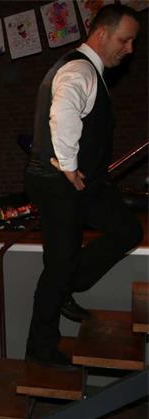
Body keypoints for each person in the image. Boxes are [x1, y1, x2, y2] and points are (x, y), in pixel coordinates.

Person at [24, 4, 143, 368]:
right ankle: (41, 350)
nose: (129, 49)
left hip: (81, 183)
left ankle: (68, 284)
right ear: (102, 33)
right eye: (125, 40)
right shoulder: (79, 70)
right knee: (58, 265)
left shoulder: (87, 69)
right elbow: (62, 114)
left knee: (126, 230)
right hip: (60, 182)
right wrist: (70, 165)